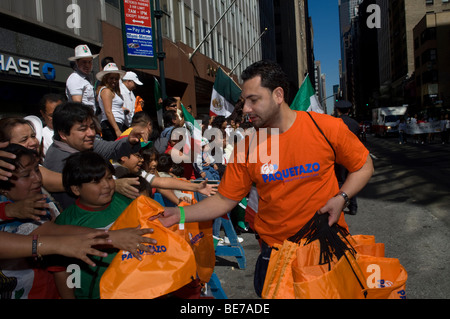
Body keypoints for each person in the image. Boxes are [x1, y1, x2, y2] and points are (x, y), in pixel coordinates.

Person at [154, 60, 374, 297]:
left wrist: (342, 196)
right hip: (275, 256)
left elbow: (363, 166)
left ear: (278, 94)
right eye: (244, 101)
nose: (246, 108)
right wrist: (180, 214)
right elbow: (224, 200)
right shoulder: (246, 148)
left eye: (254, 100)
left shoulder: (326, 127)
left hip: (327, 248)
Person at [0, 144, 155, 299]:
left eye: (36, 170)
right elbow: (56, 238)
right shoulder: (65, 220)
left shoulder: (41, 204)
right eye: (26, 175)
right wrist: (111, 237)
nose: (37, 178)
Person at [53, 151, 156, 299]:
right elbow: (62, 270)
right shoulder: (65, 223)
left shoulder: (129, 203)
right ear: (76, 189)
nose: (106, 185)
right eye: (96, 182)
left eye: (108, 178)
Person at [43, 102, 144, 209]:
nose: (91, 133)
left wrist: (130, 141)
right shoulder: (59, 162)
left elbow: (112, 149)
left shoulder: (85, 144)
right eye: (83, 129)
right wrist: (113, 185)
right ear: (63, 134)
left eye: (92, 127)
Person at [334, 100, 361, 215]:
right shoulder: (355, 124)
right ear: (349, 110)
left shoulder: (334, 122)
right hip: (352, 155)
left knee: (340, 181)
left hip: (338, 156)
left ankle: (340, 204)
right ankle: (353, 207)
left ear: (338, 110)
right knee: (351, 180)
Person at [96, 63, 127, 141]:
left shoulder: (111, 91)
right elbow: (108, 112)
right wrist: (117, 129)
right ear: (105, 78)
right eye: (111, 78)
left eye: (116, 79)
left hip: (114, 124)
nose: (114, 81)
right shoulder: (106, 91)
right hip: (111, 125)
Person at [66, 44, 99, 113]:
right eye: (84, 62)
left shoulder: (86, 79)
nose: (87, 65)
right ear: (77, 62)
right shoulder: (75, 78)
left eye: (89, 62)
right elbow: (77, 105)